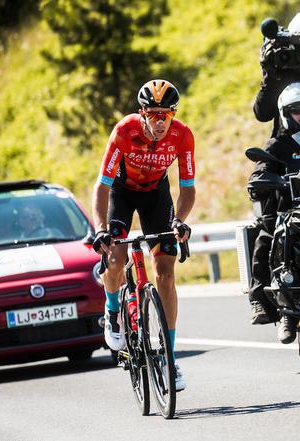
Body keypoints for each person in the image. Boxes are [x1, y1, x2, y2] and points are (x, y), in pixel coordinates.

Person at [91, 79, 195, 391]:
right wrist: (99, 229)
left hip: (156, 197)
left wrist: (179, 220)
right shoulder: (124, 131)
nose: (161, 122)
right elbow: (102, 187)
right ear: (143, 113)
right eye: (154, 115)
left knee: (165, 272)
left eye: (167, 115)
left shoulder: (182, 135)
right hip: (122, 195)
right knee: (114, 259)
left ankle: (169, 357)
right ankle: (112, 311)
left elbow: (188, 188)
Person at [247, 82, 300, 344]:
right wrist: (263, 179)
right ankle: (267, 301)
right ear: (285, 114)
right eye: (296, 111)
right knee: (266, 239)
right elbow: (260, 169)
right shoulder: (277, 144)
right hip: (288, 210)